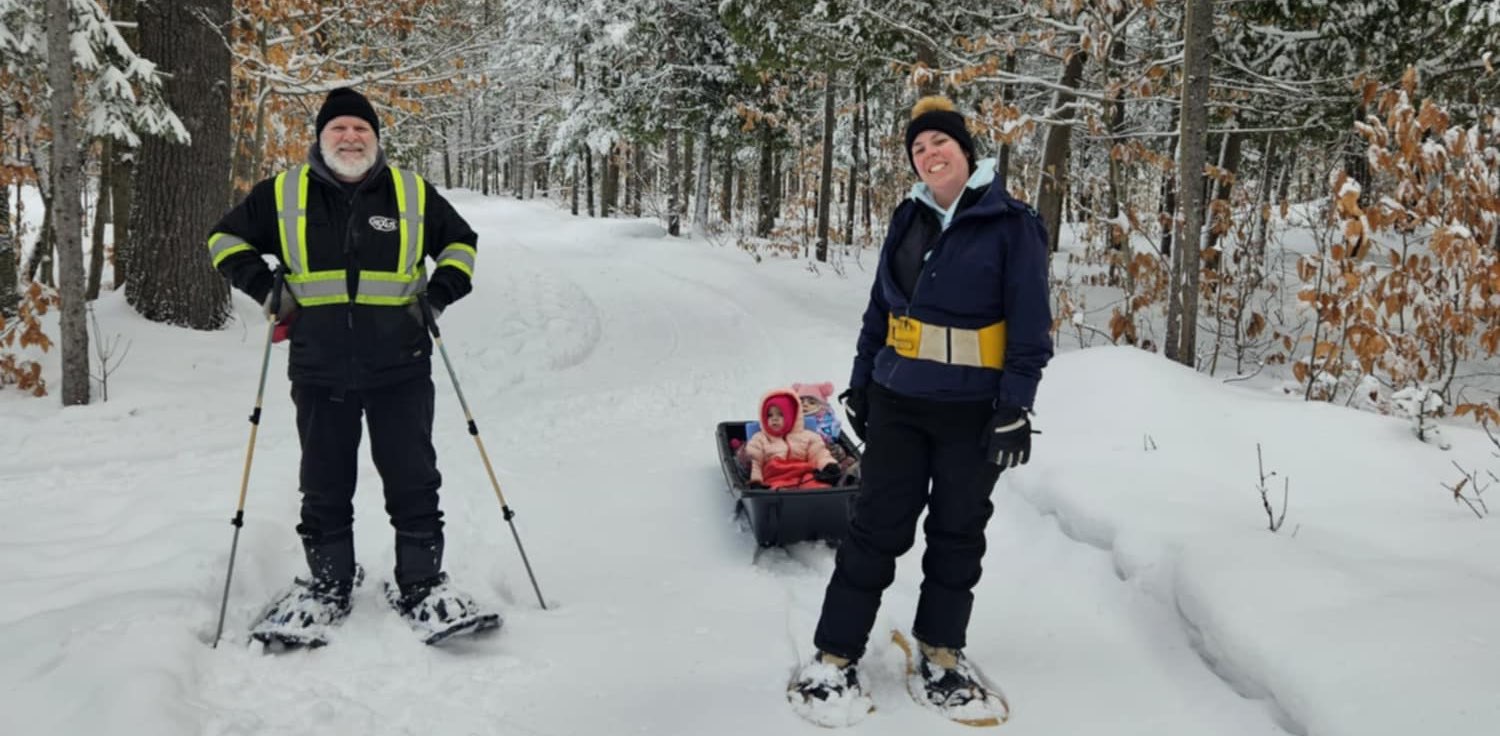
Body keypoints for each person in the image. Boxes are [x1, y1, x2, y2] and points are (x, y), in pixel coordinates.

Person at [786, 95, 1052, 725]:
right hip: (899, 402)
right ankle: (834, 654)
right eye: (918, 148)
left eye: (940, 143)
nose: (930, 155)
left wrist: (1015, 407)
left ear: (966, 150)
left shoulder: (1013, 224)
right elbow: (881, 309)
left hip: (971, 411)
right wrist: (860, 382)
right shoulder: (909, 218)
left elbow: (1032, 332)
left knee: (958, 533)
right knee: (875, 527)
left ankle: (941, 651)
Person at [206, 87, 490, 643]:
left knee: (413, 479)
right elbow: (224, 239)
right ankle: (329, 584)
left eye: (361, 128)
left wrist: (437, 296)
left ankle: (422, 583)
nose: (350, 137)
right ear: (321, 137)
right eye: (339, 128)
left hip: (402, 365)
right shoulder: (283, 193)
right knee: (323, 483)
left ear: (376, 138)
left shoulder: (410, 191)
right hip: (319, 368)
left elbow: (461, 243)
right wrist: (266, 288)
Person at [744, 388, 841, 490]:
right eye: (769, 415)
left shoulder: (809, 436)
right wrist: (756, 481)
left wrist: (828, 465)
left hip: (803, 475)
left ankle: (818, 497)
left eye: (781, 414)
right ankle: (786, 497)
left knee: (816, 483)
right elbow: (755, 462)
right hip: (775, 477)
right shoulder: (759, 438)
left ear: (791, 416)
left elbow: (819, 454)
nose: (774, 418)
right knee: (777, 489)